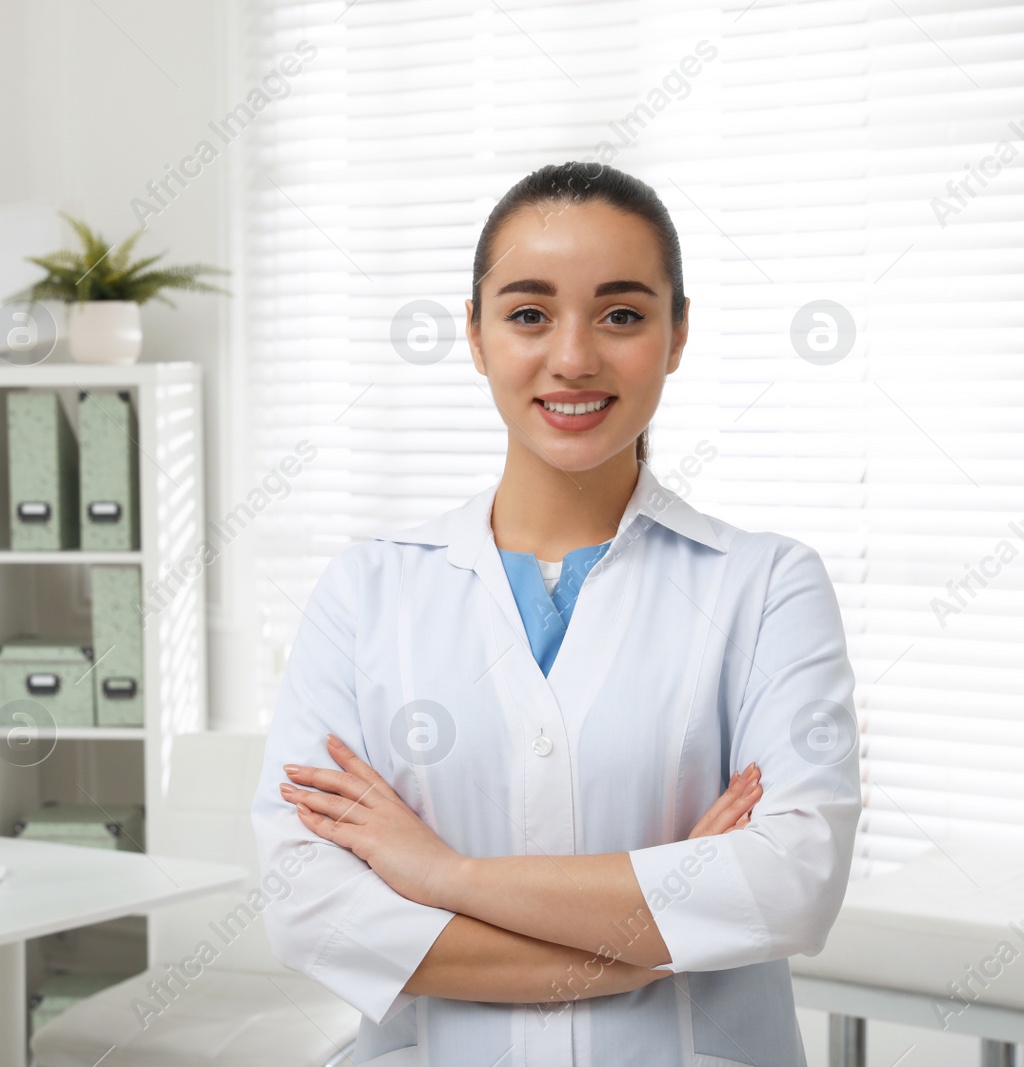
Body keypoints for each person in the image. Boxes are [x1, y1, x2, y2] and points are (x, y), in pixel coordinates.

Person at [251, 162, 861, 1067]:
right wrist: (642, 946)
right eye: (529, 313)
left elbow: (787, 884)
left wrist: (441, 876)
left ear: (678, 332)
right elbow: (309, 902)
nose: (573, 357)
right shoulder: (368, 590)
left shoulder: (767, 585)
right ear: (475, 333)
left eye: (621, 314)